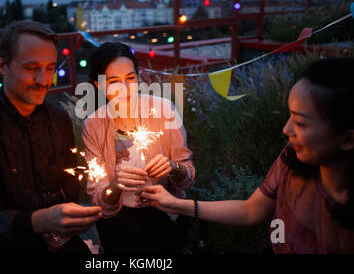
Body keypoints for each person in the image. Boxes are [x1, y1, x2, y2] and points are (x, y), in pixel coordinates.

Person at [138, 58, 354, 253]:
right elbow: (251, 210)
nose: (286, 129)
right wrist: (173, 203)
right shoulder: (291, 161)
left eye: (300, 122)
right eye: (289, 116)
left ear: (347, 139)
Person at [0, 21, 102, 254]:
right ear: (2, 65)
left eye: (50, 67)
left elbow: (70, 188)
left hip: (56, 240)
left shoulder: (59, 119)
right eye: (31, 68)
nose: (44, 80)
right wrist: (39, 221)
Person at [82, 42, 195, 253]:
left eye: (130, 78)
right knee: (126, 237)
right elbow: (99, 197)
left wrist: (173, 167)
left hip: (165, 210)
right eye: (113, 81)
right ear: (99, 85)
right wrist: (115, 185)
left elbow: (188, 176)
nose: (125, 89)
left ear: (139, 76)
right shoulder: (94, 125)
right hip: (118, 216)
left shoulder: (163, 110)